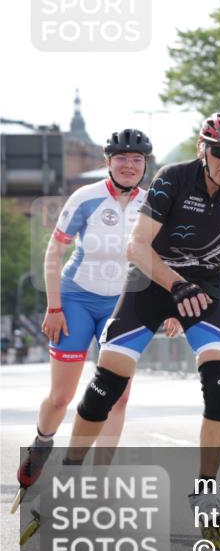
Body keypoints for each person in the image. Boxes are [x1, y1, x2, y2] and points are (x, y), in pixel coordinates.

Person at [61, 112, 220, 551]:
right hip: (151, 284)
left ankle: (206, 493)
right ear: (202, 150)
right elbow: (136, 246)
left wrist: (217, 288)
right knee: (105, 387)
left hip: (201, 290)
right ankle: (71, 475)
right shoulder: (174, 179)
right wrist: (177, 284)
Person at [15, 129, 180, 496]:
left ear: (145, 165)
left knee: (118, 396)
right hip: (76, 299)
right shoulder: (85, 198)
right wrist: (54, 306)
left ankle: (98, 482)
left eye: (136, 160)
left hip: (125, 301)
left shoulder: (155, 202)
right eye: (121, 158)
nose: (128, 165)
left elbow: (164, 259)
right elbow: (54, 252)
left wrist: (170, 306)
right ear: (108, 162)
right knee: (62, 397)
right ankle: (43, 442)